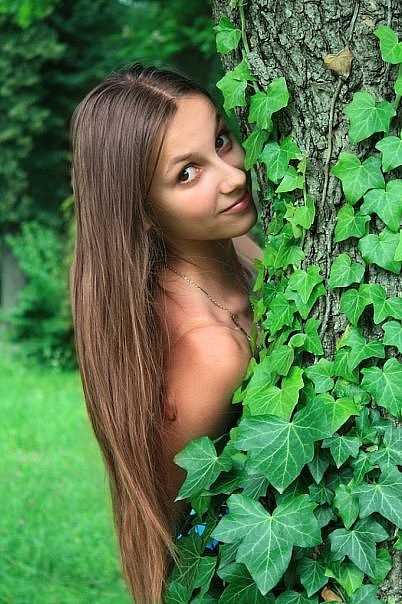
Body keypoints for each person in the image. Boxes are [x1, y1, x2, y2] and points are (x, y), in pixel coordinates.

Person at [70, 63, 261, 603]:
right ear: (145, 212)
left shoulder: (236, 247)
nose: (233, 177)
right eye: (187, 173)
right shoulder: (211, 351)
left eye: (221, 141)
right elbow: (167, 523)